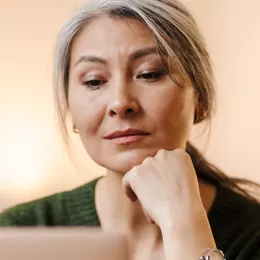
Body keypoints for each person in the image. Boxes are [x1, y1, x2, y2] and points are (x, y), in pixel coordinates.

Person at [0, 0, 259, 259]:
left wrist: (185, 227)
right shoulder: (19, 230)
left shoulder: (251, 234)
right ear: (70, 109)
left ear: (200, 98)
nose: (120, 102)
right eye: (94, 81)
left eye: (149, 74)